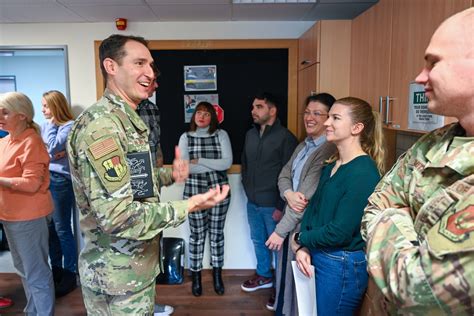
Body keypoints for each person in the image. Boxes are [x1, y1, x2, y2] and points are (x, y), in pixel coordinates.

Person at [67, 34, 229, 315]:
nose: (149, 73)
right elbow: (119, 216)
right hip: (116, 277)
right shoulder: (103, 127)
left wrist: (168, 176)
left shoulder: (128, 120)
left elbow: (135, 181)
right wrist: (189, 205)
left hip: (135, 270)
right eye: (139, 63)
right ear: (111, 66)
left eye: (151, 65)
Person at [361, 8, 474, 315]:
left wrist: (390, 216)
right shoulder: (435, 141)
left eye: (433, 62)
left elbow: (418, 290)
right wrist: (405, 226)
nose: (419, 77)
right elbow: (376, 201)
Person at [292, 97, 385, 315]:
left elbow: (339, 233)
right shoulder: (333, 165)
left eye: (335, 118)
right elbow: (313, 211)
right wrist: (304, 246)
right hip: (321, 255)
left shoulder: (363, 172)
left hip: (340, 264)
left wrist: (299, 239)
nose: (326, 123)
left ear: (357, 128)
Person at [265, 93, 337, 313]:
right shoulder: (304, 144)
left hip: (302, 226)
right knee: (286, 278)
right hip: (292, 218)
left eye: (317, 113)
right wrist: (288, 194)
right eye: (307, 112)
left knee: (299, 287)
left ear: (329, 118)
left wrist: (279, 231)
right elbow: (283, 175)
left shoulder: (327, 150)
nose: (309, 117)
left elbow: (303, 200)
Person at [0, 92, 55, 315]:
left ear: (22, 115)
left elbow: (32, 184)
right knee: (23, 269)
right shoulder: (5, 141)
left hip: (28, 217)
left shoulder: (31, 142)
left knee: (36, 273)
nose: (0, 116)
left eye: (5, 111)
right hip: (10, 216)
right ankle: (33, 311)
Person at [241, 92, 298, 294]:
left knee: (279, 247)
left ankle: (282, 287)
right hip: (252, 203)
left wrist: (280, 206)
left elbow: (290, 175)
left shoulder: (286, 137)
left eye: (259, 107)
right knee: (258, 240)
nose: (253, 111)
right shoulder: (250, 135)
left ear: (272, 110)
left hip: (273, 206)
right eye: (253, 107)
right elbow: (245, 167)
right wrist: (248, 191)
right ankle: (264, 275)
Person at [178, 101, 232, 297]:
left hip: (219, 193)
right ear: (193, 116)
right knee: (197, 235)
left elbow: (226, 163)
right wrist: (211, 165)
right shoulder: (186, 137)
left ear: (213, 117)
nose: (202, 117)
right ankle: (197, 277)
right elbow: (185, 168)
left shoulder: (221, 134)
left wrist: (199, 161)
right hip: (194, 193)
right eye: (198, 113)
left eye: (206, 114)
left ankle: (217, 276)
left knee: (217, 234)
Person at [136, 68, 174, 316]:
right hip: (131, 190)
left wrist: (159, 179)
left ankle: (149, 304)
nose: (155, 85)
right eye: (151, 81)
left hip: (151, 185)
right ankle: (137, 306)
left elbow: (156, 146)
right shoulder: (117, 114)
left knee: (151, 246)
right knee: (135, 248)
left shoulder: (151, 109)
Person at [41, 90, 78, 298]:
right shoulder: (45, 126)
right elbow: (43, 153)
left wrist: (54, 126)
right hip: (46, 179)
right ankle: (55, 270)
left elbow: (53, 149)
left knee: (63, 228)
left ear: (56, 107)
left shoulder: (68, 126)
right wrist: (53, 153)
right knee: (51, 229)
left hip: (61, 181)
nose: (43, 110)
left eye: (46, 106)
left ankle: (70, 273)